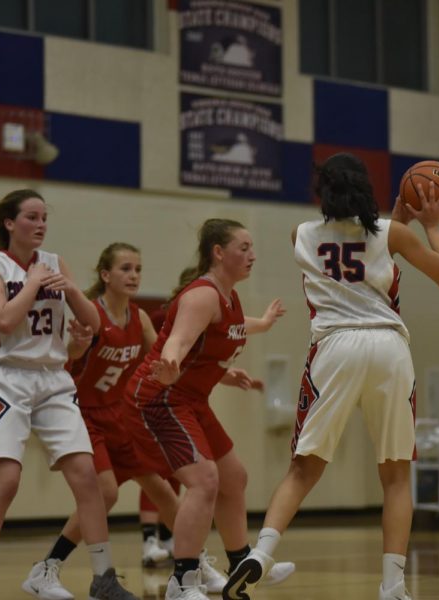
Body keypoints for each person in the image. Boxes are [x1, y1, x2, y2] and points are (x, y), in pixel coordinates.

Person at [222, 152, 439, 600]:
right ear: (366, 189)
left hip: (334, 348)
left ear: (322, 191)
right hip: (388, 350)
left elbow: (349, 243)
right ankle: (393, 586)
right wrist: (428, 226)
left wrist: (397, 221)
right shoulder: (394, 233)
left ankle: (263, 551)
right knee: (395, 476)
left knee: (302, 468)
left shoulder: (301, 234)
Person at [0, 190, 137, 600]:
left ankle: (103, 577)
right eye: (31, 218)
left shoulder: (54, 263)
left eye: (44, 218)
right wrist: (33, 283)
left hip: (55, 379)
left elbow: (95, 325)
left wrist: (73, 293)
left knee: (86, 477)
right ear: (9, 223)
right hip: (9, 379)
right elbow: (3, 319)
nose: (40, 225)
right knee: (7, 481)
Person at [22, 243, 210, 599]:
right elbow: (70, 356)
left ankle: (194, 564)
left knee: (163, 491)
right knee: (105, 492)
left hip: (120, 416)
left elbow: (163, 359)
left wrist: (217, 372)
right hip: (84, 412)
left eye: (138, 269)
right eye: (125, 269)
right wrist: (77, 346)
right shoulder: (91, 313)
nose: (134, 275)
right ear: (105, 275)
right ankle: (48, 567)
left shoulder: (138, 318)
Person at [121, 219, 292, 600]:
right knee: (204, 480)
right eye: (243, 248)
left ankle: (240, 564)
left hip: (189, 400)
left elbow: (228, 328)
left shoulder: (228, 297)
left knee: (234, 478)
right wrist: (169, 364)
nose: (252, 255)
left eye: (252, 248)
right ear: (218, 252)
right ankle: (183, 581)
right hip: (159, 399)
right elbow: (178, 341)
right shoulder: (201, 295)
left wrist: (260, 327)